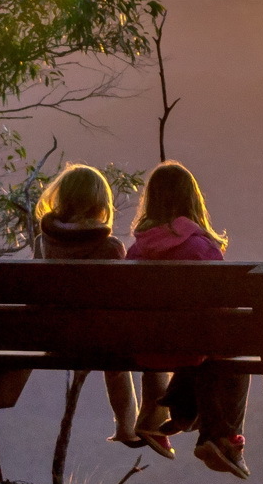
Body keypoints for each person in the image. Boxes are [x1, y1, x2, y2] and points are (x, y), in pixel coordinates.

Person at [126, 160, 251, 479]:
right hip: (192, 350)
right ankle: (221, 436)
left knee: (201, 348)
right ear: (194, 201)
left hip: (147, 349)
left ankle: (178, 417)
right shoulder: (201, 249)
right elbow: (222, 307)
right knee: (227, 354)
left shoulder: (136, 251)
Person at [32, 164, 166, 456]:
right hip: (102, 341)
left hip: (56, 342)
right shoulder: (111, 248)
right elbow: (122, 303)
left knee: (111, 344)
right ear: (100, 205)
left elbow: (37, 296)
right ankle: (130, 425)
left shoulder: (43, 243)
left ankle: (128, 426)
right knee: (122, 351)